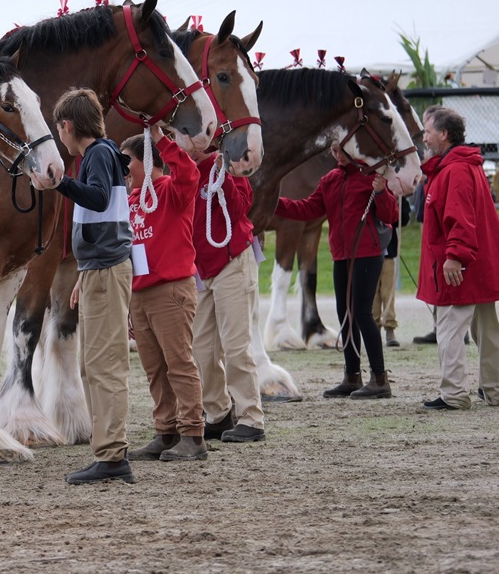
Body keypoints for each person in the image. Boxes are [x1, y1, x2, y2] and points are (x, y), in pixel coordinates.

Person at [54, 88, 134, 485]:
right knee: (93, 364)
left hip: (105, 270)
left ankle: (113, 456)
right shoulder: (102, 153)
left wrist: (60, 183)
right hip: (96, 270)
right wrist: (83, 276)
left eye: (59, 128)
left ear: (67, 125)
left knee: (104, 365)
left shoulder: (98, 154)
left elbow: (99, 200)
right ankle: (107, 451)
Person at [276, 143, 398, 399]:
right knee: (345, 315)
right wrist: (275, 204)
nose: (336, 155)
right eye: (333, 151)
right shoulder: (330, 179)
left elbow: (390, 215)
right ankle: (352, 377)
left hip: (367, 255)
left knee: (362, 314)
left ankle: (379, 379)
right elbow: (307, 209)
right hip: (341, 256)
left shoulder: (371, 176)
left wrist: (380, 192)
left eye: (339, 150)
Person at [122, 134, 207, 461]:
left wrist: (160, 139)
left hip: (170, 290)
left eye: (128, 160)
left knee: (178, 363)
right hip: (140, 294)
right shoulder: (130, 200)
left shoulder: (172, 190)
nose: (123, 169)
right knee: (155, 368)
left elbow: (189, 173)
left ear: (147, 161)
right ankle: (166, 431)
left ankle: (193, 435)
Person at [416, 106, 499, 410]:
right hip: (479, 263)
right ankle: (494, 389)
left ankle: (454, 394)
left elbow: (459, 218)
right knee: (487, 331)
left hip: (461, 266)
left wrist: (455, 256)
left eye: (427, 131)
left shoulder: (455, 169)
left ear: (443, 134)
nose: (424, 138)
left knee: (450, 328)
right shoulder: (466, 165)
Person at [188, 148, 268, 442]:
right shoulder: (181, 169)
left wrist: (224, 177)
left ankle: (251, 417)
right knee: (202, 349)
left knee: (236, 345)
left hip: (232, 261)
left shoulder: (224, 164)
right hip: (201, 268)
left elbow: (241, 208)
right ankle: (218, 413)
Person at [372, 194, 401, 348]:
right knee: (372, 293)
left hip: (388, 254)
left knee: (387, 292)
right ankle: (374, 327)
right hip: (370, 253)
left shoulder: (391, 196)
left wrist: (399, 204)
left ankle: (390, 327)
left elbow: (401, 220)